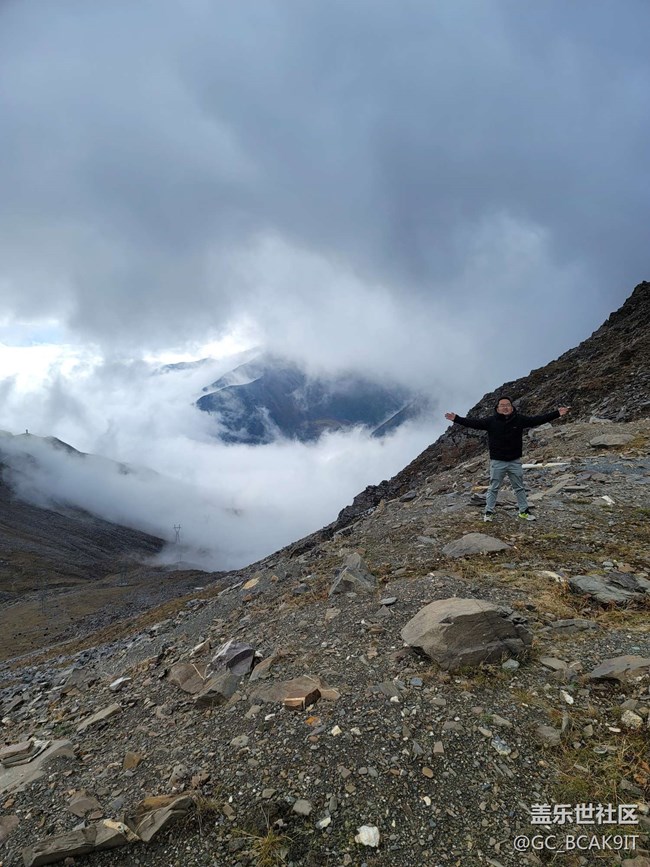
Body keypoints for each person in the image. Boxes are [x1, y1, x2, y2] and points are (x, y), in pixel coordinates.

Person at [444, 398, 570, 522]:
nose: (505, 407)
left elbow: (537, 420)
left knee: (519, 488)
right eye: (502, 405)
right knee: (494, 488)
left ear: (512, 407)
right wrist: (457, 419)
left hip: (514, 461)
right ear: (497, 408)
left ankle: (524, 511)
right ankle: (489, 512)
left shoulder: (519, 419)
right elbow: (473, 423)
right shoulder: (491, 421)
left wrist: (557, 413)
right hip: (497, 461)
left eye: (508, 405)